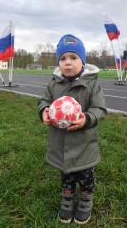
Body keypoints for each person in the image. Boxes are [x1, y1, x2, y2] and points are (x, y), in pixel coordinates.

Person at [38, 34, 107, 225]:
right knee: (66, 175)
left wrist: (87, 118)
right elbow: (44, 100)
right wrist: (44, 110)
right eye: (63, 58)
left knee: (85, 177)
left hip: (84, 144)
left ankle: (86, 201)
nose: (68, 63)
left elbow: (99, 109)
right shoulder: (54, 83)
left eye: (73, 58)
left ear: (83, 61)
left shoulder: (92, 84)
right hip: (60, 144)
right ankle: (67, 200)